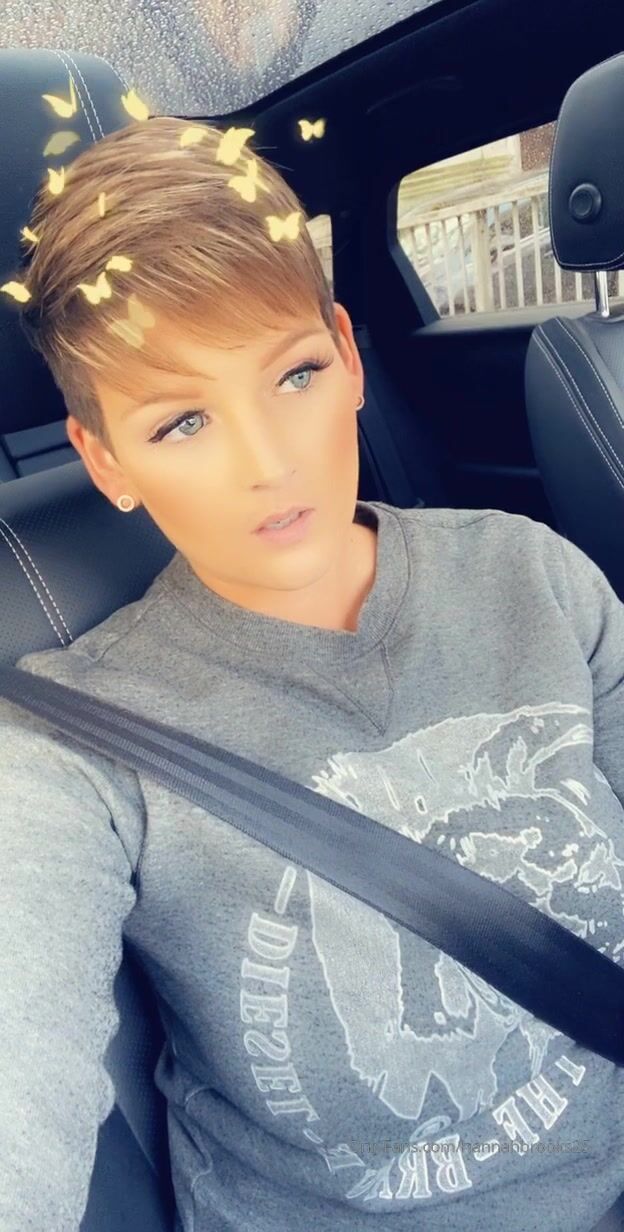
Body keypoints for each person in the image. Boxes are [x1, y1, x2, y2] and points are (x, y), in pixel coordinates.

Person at [1, 113, 624, 1232]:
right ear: (107, 460)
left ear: (348, 354)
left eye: (293, 373)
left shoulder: (534, 577)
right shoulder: (73, 748)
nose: (268, 460)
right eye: (182, 421)